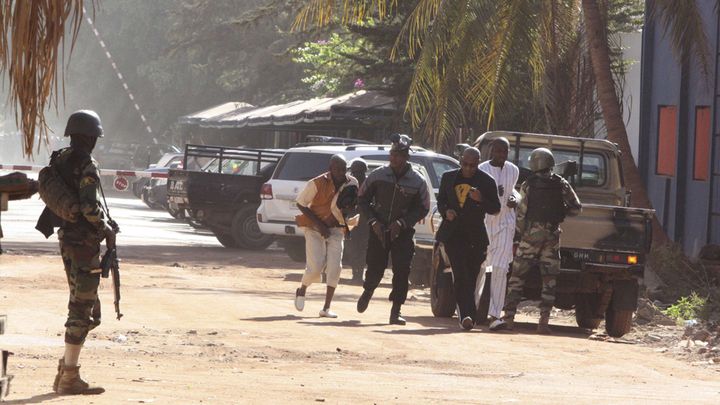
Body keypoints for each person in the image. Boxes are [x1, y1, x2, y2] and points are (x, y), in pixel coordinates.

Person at [53, 110, 115, 395]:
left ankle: (66, 366)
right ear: (90, 137)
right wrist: (106, 228)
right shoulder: (87, 164)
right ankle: (69, 376)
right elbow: (90, 208)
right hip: (84, 244)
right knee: (82, 309)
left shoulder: (61, 159)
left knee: (84, 307)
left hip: (67, 239)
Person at [501, 148, 582, 334]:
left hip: (530, 236)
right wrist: (560, 214)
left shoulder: (528, 184)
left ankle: (509, 319)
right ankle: (543, 323)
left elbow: (521, 212)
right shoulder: (561, 184)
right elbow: (577, 208)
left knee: (517, 278)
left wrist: (522, 233)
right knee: (550, 281)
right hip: (552, 237)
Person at [356, 134, 431, 325]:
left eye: (398, 155)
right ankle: (368, 291)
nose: (394, 158)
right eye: (392, 154)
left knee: (402, 271)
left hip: (403, 233)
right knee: (375, 267)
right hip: (378, 229)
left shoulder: (418, 181)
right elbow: (362, 199)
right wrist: (373, 221)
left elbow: (423, 207)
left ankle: (396, 310)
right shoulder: (378, 175)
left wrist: (402, 223)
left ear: (406, 156)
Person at [436, 147, 501, 330]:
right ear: (460, 161)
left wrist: (480, 199)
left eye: (472, 165)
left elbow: (495, 208)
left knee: (471, 278)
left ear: (478, 163)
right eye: (465, 164)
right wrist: (445, 211)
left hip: (476, 236)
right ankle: (466, 316)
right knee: (460, 273)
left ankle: (468, 315)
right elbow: (441, 200)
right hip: (453, 234)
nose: (468, 168)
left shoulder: (487, 181)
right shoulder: (449, 177)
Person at [294, 155, 358, 318]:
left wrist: (348, 210)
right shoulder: (317, 183)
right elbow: (301, 203)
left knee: (335, 267)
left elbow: (351, 205)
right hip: (315, 228)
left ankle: (326, 308)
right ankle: (302, 290)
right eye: (338, 169)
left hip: (337, 229)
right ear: (331, 169)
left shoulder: (352, 183)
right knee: (315, 267)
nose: (341, 173)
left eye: (344, 169)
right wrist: (320, 225)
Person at [476, 138, 520, 331]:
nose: (501, 155)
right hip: (485, 223)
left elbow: (515, 192)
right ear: (491, 151)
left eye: (505, 151)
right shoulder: (482, 169)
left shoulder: (513, 170)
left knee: (501, 269)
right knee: (480, 267)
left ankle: (495, 315)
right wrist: (492, 193)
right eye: (498, 151)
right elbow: (476, 194)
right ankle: (473, 310)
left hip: (505, 223)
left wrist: (514, 198)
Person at [346, 158, 369, 284]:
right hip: (356, 220)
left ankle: (358, 275)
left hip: (360, 220)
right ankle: (357, 274)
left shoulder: (367, 183)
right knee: (357, 248)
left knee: (357, 248)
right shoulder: (352, 183)